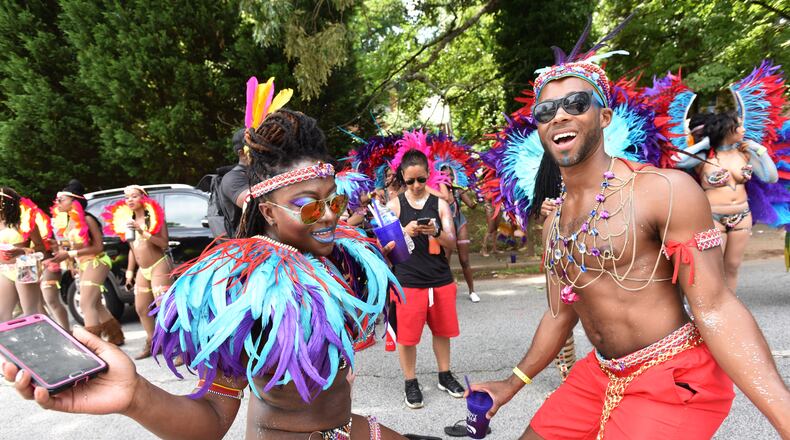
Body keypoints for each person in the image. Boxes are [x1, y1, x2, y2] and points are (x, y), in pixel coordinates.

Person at [3, 109, 411, 439]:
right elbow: (213, 415)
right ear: (267, 212)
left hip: (346, 429)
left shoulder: (337, 256)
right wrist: (136, 396)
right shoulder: (243, 288)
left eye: (334, 201)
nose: (327, 216)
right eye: (308, 206)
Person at [468, 34, 790, 439]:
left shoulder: (662, 191)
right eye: (547, 110)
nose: (560, 115)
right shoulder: (555, 221)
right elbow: (561, 311)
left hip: (673, 373)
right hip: (602, 372)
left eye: (577, 104)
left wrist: (783, 414)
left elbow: (716, 308)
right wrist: (512, 384)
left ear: (604, 117)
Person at [387, 144, 465, 409]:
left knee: (443, 332)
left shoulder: (440, 204)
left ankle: (444, 375)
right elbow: (384, 246)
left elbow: (452, 242)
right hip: (408, 280)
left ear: (428, 174)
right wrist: (404, 232)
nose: (417, 185)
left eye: (422, 179)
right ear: (402, 179)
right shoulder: (394, 205)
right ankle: (410, 381)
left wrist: (434, 233)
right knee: (407, 337)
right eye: (410, 181)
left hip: (440, 277)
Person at [674, 111, 779, 292]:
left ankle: (730, 307)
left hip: (742, 216)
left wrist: (759, 150)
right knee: (712, 267)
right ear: (727, 129)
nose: (743, 129)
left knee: (732, 266)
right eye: (738, 125)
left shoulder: (744, 153)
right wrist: (704, 143)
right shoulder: (704, 156)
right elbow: (676, 160)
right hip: (712, 217)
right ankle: (708, 305)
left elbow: (771, 177)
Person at [47, 180, 124, 345]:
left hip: (97, 261)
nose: (57, 203)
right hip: (83, 263)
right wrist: (69, 259)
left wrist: (69, 253)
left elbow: (97, 247)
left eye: (62, 199)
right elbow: (74, 245)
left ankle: (93, 346)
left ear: (74, 201)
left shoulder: (88, 219)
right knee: (95, 302)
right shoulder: (69, 221)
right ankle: (115, 336)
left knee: (85, 303)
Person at [103, 185, 172, 359]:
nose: (130, 200)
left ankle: (177, 347)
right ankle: (153, 343)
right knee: (141, 308)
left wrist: (142, 231)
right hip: (143, 269)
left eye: (134, 196)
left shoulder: (154, 218)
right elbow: (132, 249)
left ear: (144, 197)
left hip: (158, 264)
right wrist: (129, 274)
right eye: (127, 197)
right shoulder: (128, 222)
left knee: (163, 307)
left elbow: (164, 244)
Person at [0, 187, 47, 322]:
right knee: (2, 315)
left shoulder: (24, 222)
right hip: (4, 270)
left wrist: (20, 251)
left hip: (25, 267)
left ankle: (44, 340)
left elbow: (41, 248)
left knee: (30, 313)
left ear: (6, 202)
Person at [440, 165, 480, 303]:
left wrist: (477, 197)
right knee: (445, 260)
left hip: (460, 223)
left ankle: (472, 291)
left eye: (450, 174)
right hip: (445, 227)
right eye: (445, 175)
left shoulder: (458, 191)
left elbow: (471, 205)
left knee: (464, 260)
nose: (448, 177)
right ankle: (446, 291)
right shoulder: (438, 193)